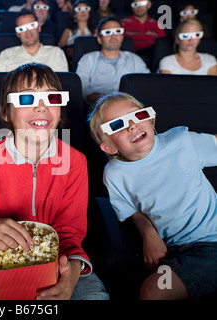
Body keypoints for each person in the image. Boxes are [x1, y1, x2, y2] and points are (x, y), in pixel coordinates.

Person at [0, 62, 109, 300]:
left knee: (92, 296)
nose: (42, 107)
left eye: (52, 99)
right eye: (26, 100)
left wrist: (73, 267)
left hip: (57, 253)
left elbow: (70, 231)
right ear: (5, 113)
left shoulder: (75, 162)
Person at [89, 91, 217, 300]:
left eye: (137, 116)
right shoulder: (114, 174)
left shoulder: (183, 142)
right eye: (117, 125)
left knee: (154, 291)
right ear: (109, 146)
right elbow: (130, 210)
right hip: (174, 254)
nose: (132, 125)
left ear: (150, 119)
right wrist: (148, 233)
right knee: (154, 287)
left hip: (212, 243)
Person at [76, 16, 149, 108]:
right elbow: (83, 88)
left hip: (131, 107)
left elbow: (146, 85)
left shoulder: (135, 59)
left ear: (122, 37)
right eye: (108, 32)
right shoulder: (88, 59)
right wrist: (111, 102)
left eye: (118, 31)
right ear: (99, 39)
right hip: (99, 107)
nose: (113, 36)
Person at [0, 10, 68, 72]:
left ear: (39, 28)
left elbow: (62, 84)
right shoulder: (6, 54)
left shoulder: (56, 53)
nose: (28, 31)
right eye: (22, 29)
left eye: (31, 26)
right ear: (17, 34)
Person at [122, 0, 166, 67]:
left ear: (149, 5)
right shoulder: (123, 23)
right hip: (129, 58)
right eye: (135, 4)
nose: (139, 7)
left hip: (151, 58)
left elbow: (162, 45)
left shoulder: (157, 24)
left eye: (142, 3)